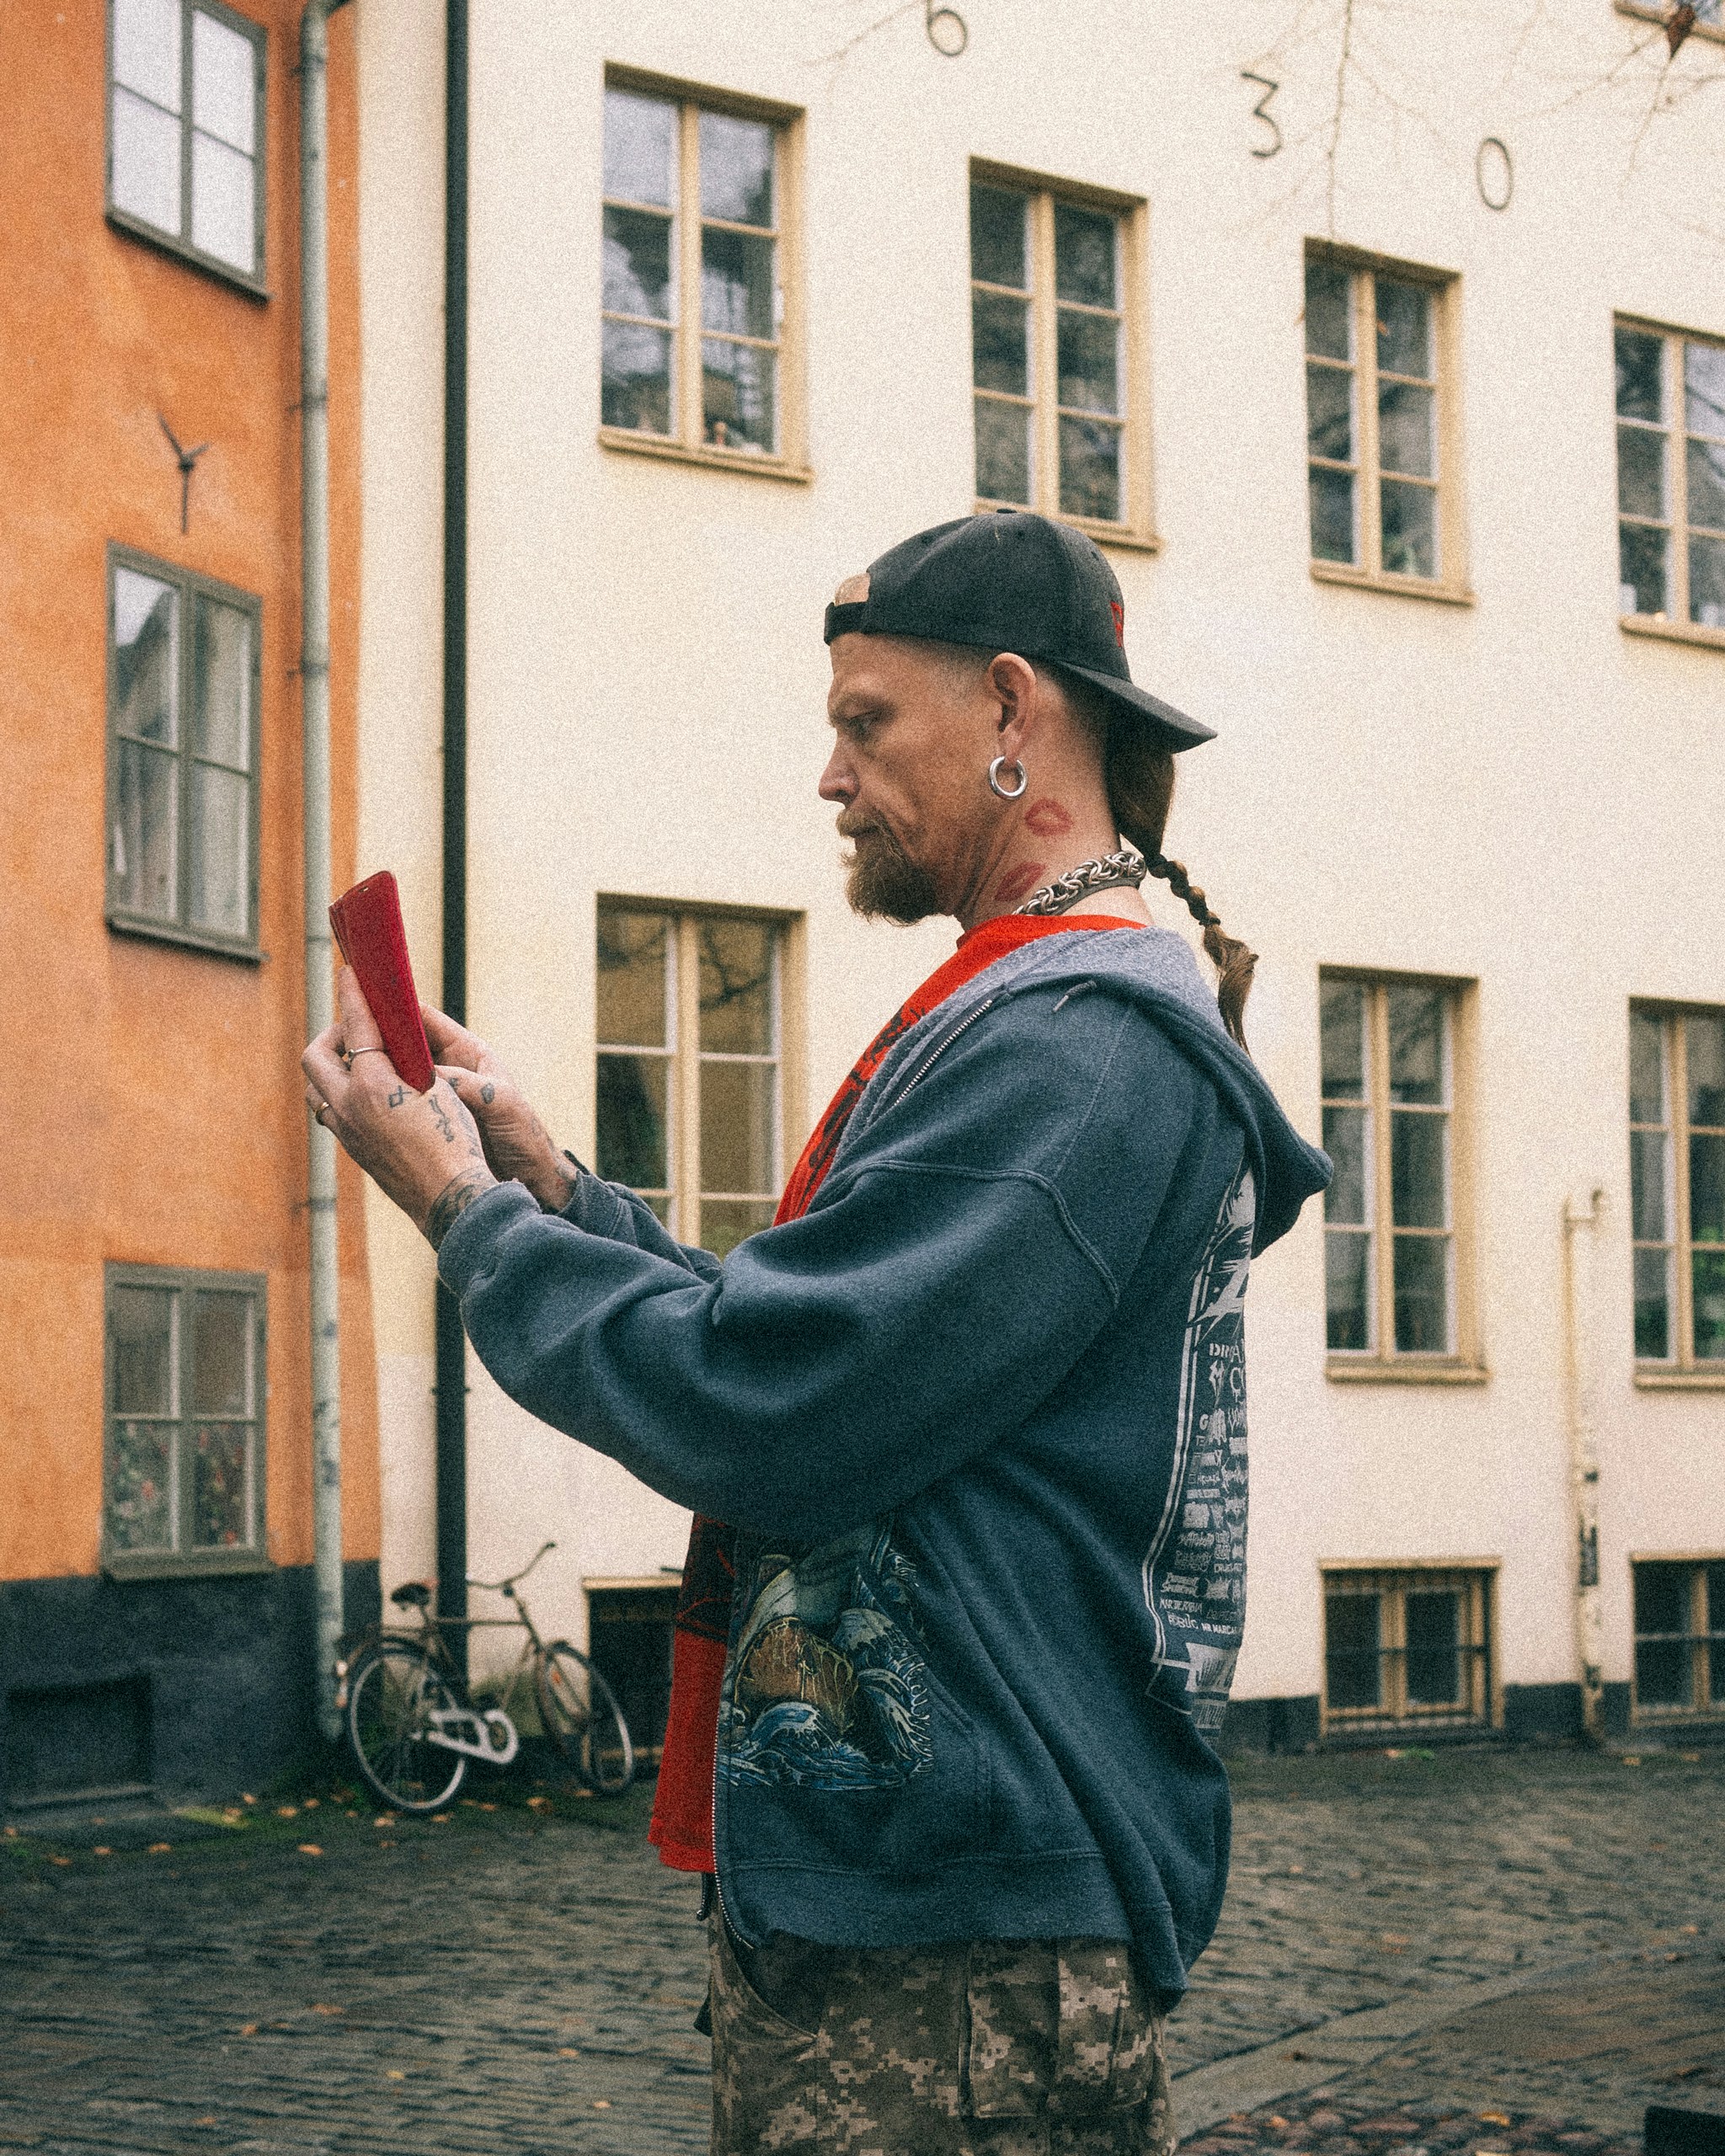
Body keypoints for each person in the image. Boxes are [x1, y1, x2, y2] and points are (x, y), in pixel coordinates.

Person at [302, 510, 1330, 2155]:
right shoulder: (1030, 1007)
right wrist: (550, 1181)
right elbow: (816, 1338)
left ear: (1011, 713)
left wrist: (458, 1211)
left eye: (867, 722)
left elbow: (774, 1403)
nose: (832, 774)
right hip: (930, 1915)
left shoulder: (1077, 1048)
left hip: (960, 1949)